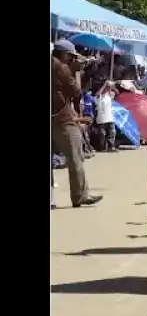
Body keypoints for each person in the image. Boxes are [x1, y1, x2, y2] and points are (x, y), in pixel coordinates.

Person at [51, 40, 102, 208]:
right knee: (75, 157)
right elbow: (76, 92)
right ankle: (80, 195)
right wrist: (77, 73)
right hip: (62, 119)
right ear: (64, 55)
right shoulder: (61, 68)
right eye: (71, 56)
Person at [95, 81, 118, 152]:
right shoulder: (99, 96)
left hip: (110, 118)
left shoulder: (110, 95)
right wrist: (105, 84)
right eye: (107, 88)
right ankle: (102, 148)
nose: (107, 89)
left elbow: (117, 92)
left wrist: (112, 86)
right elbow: (98, 94)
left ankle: (111, 147)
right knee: (102, 134)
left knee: (112, 133)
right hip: (102, 119)